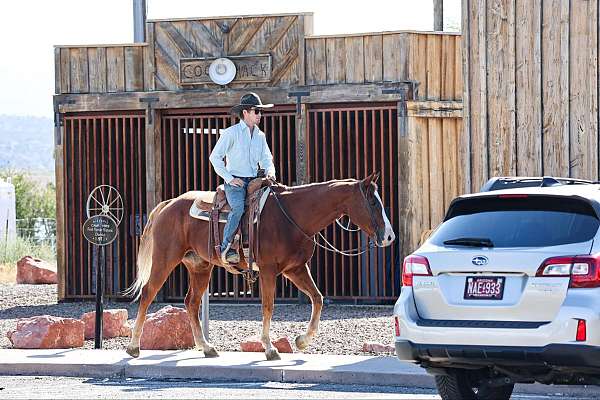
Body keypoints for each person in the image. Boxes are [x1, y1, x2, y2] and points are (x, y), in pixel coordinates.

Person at [209, 93, 276, 265]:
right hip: (236, 182)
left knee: (272, 205)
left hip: (255, 181)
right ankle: (227, 247)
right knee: (238, 208)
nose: (260, 115)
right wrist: (229, 179)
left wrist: (270, 172)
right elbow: (215, 157)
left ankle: (259, 246)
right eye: (256, 111)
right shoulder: (231, 133)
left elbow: (267, 158)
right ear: (245, 112)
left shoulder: (260, 135)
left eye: (260, 111)